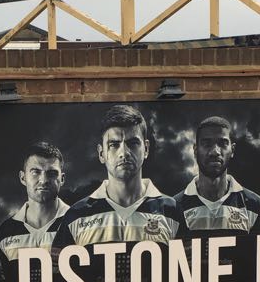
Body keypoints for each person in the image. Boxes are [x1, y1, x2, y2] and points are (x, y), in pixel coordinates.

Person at [53, 104, 180, 251]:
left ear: (146, 149)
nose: (124, 152)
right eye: (114, 144)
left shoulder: (171, 210)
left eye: (132, 143)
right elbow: (57, 273)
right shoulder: (76, 215)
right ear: (101, 154)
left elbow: (187, 272)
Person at [0, 142, 69, 282]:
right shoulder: (6, 232)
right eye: (35, 172)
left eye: (52, 173)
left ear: (62, 179)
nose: (43, 180)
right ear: (23, 178)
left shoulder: (79, 222)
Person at [175, 116, 260, 234]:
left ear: (232, 150)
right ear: (195, 150)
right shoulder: (174, 207)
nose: (215, 151)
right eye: (207, 144)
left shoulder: (253, 205)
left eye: (222, 143)